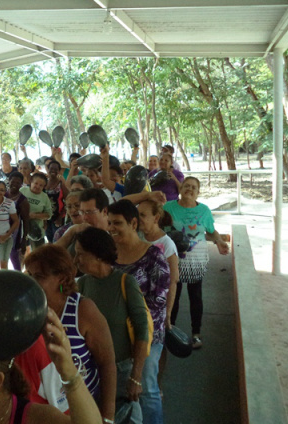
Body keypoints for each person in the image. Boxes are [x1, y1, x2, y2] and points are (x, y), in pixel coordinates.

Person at [24, 245, 116, 422]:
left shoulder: (83, 310)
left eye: (39, 276)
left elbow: (107, 364)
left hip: (84, 410)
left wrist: (107, 416)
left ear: (62, 278)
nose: (31, 282)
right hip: (46, 413)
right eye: (30, 275)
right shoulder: (29, 311)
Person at [75, 227, 151, 424]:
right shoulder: (82, 284)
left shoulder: (125, 283)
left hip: (122, 369)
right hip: (92, 371)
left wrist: (136, 376)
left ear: (98, 255)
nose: (76, 260)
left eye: (81, 254)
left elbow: (142, 330)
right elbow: (53, 286)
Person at [108, 200, 170, 424]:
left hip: (148, 336)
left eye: (117, 223)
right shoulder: (108, 255)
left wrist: (130, 324)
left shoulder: (153, 256)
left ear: (133, 223)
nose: (111, 228)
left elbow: (158, 303)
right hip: (116, 335)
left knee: (146, 387)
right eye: (109, 223)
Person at [163, 177, 229, 349]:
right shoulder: (168, 208)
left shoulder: (204, 211)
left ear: (198, 192)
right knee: (173, 297)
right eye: (186, 186)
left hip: (197, 260)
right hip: (173, 259)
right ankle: (171, 331)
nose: (189, 189)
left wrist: (219, 241)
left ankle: (196, 333)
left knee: (196, 297)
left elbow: (211, 232)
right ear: (180, 188)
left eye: (193, 187)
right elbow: (160, 230)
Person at [137, 200, 179, 329]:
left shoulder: (167, 245)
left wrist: (168, 313)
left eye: (143, 215)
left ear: (156, 218)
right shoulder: (136, 236)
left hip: (156, 308)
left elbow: (172, 281)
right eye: (137, 214)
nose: (138, 219)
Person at [20, 172, 52, 249]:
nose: (37, 186)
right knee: (21, 253)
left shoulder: (44, 197)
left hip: (36, 230)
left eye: (41, 185)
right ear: (31, 181)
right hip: (21, 229)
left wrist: (35, 215)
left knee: (38, 254)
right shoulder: (23, 190)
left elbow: (49, 215)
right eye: (36, 183)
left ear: (44, 187)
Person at [6, 171, 30, 271]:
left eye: (18, 183)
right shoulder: (2, 194)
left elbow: (26, 221)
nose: (15, 184)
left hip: (14, 233)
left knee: (14, 257)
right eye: (13, 181)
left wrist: (24, 239)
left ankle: (19, 280)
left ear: (21, 184)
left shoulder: (22, 200)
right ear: (9, 181)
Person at [44, 160, 69, 243]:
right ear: (48, 169)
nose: (53, 171)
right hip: (45, 218)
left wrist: (61, 217)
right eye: (51, 168)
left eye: (56, 169)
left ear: (59, 171)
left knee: (58, 241)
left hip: (58, 218)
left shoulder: (61, 184)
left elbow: (68, 200)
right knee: (49, 240)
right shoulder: (44, 183)